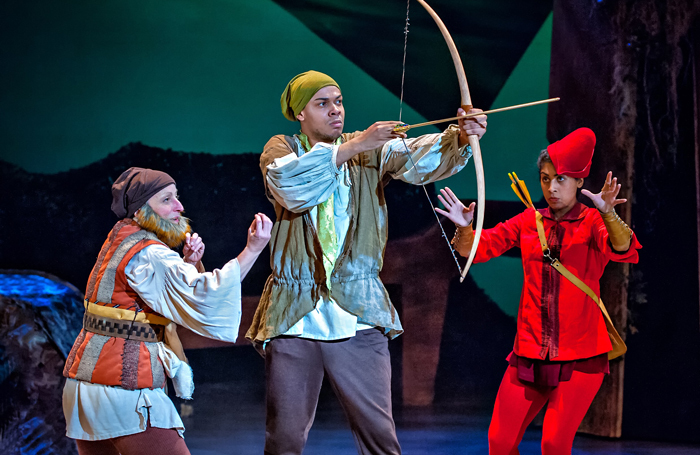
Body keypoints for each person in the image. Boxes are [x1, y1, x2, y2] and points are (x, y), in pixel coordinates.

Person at [246, 70, 487, 455]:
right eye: (322, 103)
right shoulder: (283, 148)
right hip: (295, 314)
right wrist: (354, 146)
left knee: (379, 435)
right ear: (299, 114)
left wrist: (461, 135)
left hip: (357, 311)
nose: (335, 110)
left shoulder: (369, 150)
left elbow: (417, 157)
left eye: (338, 101)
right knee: (285, 438)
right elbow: (290, 188)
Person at [435, 128, 642, 454]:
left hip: (581, 355)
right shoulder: (529, 221)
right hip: (530, 352)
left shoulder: (592, 222)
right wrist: (465, 229)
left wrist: (608, 212)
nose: (552, 188)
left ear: (578, 182)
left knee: (554, 444)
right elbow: (477, 249)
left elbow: (623, 247)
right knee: (500, 442)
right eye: (546, 179)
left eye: (561, 179)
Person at [62, 167, 272, 455]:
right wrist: (254, 248)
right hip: (123, 387)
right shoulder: (150, 252)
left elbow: (149, 296)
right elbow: (205, 293)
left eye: (177, 197)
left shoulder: (121, 238)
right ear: (140, 211)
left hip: (87, 383)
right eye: (167, 199)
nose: (180, 206)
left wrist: (186, 264)